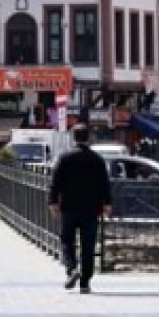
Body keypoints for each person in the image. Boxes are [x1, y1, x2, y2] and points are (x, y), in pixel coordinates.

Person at [47, 124, 112, 294]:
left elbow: (56, 181)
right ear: (89, 138)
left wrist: (53, 201)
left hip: (69, 206)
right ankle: (85, 282)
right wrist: (107, 203)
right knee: (88, 245)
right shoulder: (97, 159)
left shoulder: (65, 158)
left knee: (67, 240)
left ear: (73, 138)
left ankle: (71, 268)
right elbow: (104, 184)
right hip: (91, 208)